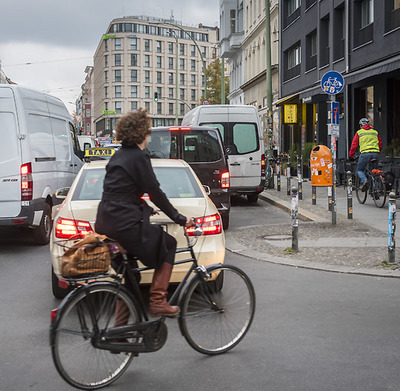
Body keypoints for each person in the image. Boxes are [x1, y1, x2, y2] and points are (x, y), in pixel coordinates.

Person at [95, 108, 193, 322]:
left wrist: (145, 207)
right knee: (168, 244)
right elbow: (155, 191)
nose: (149, 137)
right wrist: (179, 218)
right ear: (142, 134)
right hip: (124, 224)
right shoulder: (139, 157)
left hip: (105, 222)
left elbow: (120, 192)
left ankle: (119, 333)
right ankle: (158, 301)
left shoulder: (119, 156)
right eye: (148, 133)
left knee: (130, 277)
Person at [349, 118, 382, 191]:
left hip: (365, 154)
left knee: (360, 170)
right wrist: (378, 151)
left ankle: (365, 181)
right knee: (374, 171)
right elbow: (380, 143)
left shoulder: (359, 132)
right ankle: (375, 189)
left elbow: (354, 145)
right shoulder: (375, 132)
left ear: (360, 125)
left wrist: (351, 155)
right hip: (375, 153)